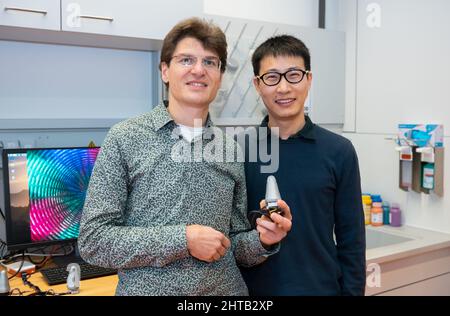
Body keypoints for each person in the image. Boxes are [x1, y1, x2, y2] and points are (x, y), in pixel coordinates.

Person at [78, 18, 292, 296]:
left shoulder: (230, 149)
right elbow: (94, 241)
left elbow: (234, 246)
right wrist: (183, 239)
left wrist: (263, 239)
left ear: (220, 75)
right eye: (186, 60)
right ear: (165, 70)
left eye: (210, 62)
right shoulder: (125, 138)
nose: (199, 70)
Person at [239, 35, 366, 296]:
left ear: (309, 79)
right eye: (272, 77)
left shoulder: (339, 151)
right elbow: (232, 235)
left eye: (294, 75)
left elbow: (351, 240)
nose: (284, 88)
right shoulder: (238, 150)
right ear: (257, 85)